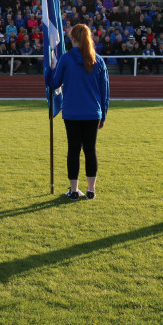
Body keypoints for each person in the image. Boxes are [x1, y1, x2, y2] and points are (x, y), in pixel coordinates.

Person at [45, 24, 110, 200]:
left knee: (73, 150)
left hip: (72, 113)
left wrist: (48, 69)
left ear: (73, 38)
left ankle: (74, 191)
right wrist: (103, 114)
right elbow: (105, 92)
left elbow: (54, 83)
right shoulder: (98, 60)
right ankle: (91, 191)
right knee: (90, 150)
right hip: (92, 113)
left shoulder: (66, 59)